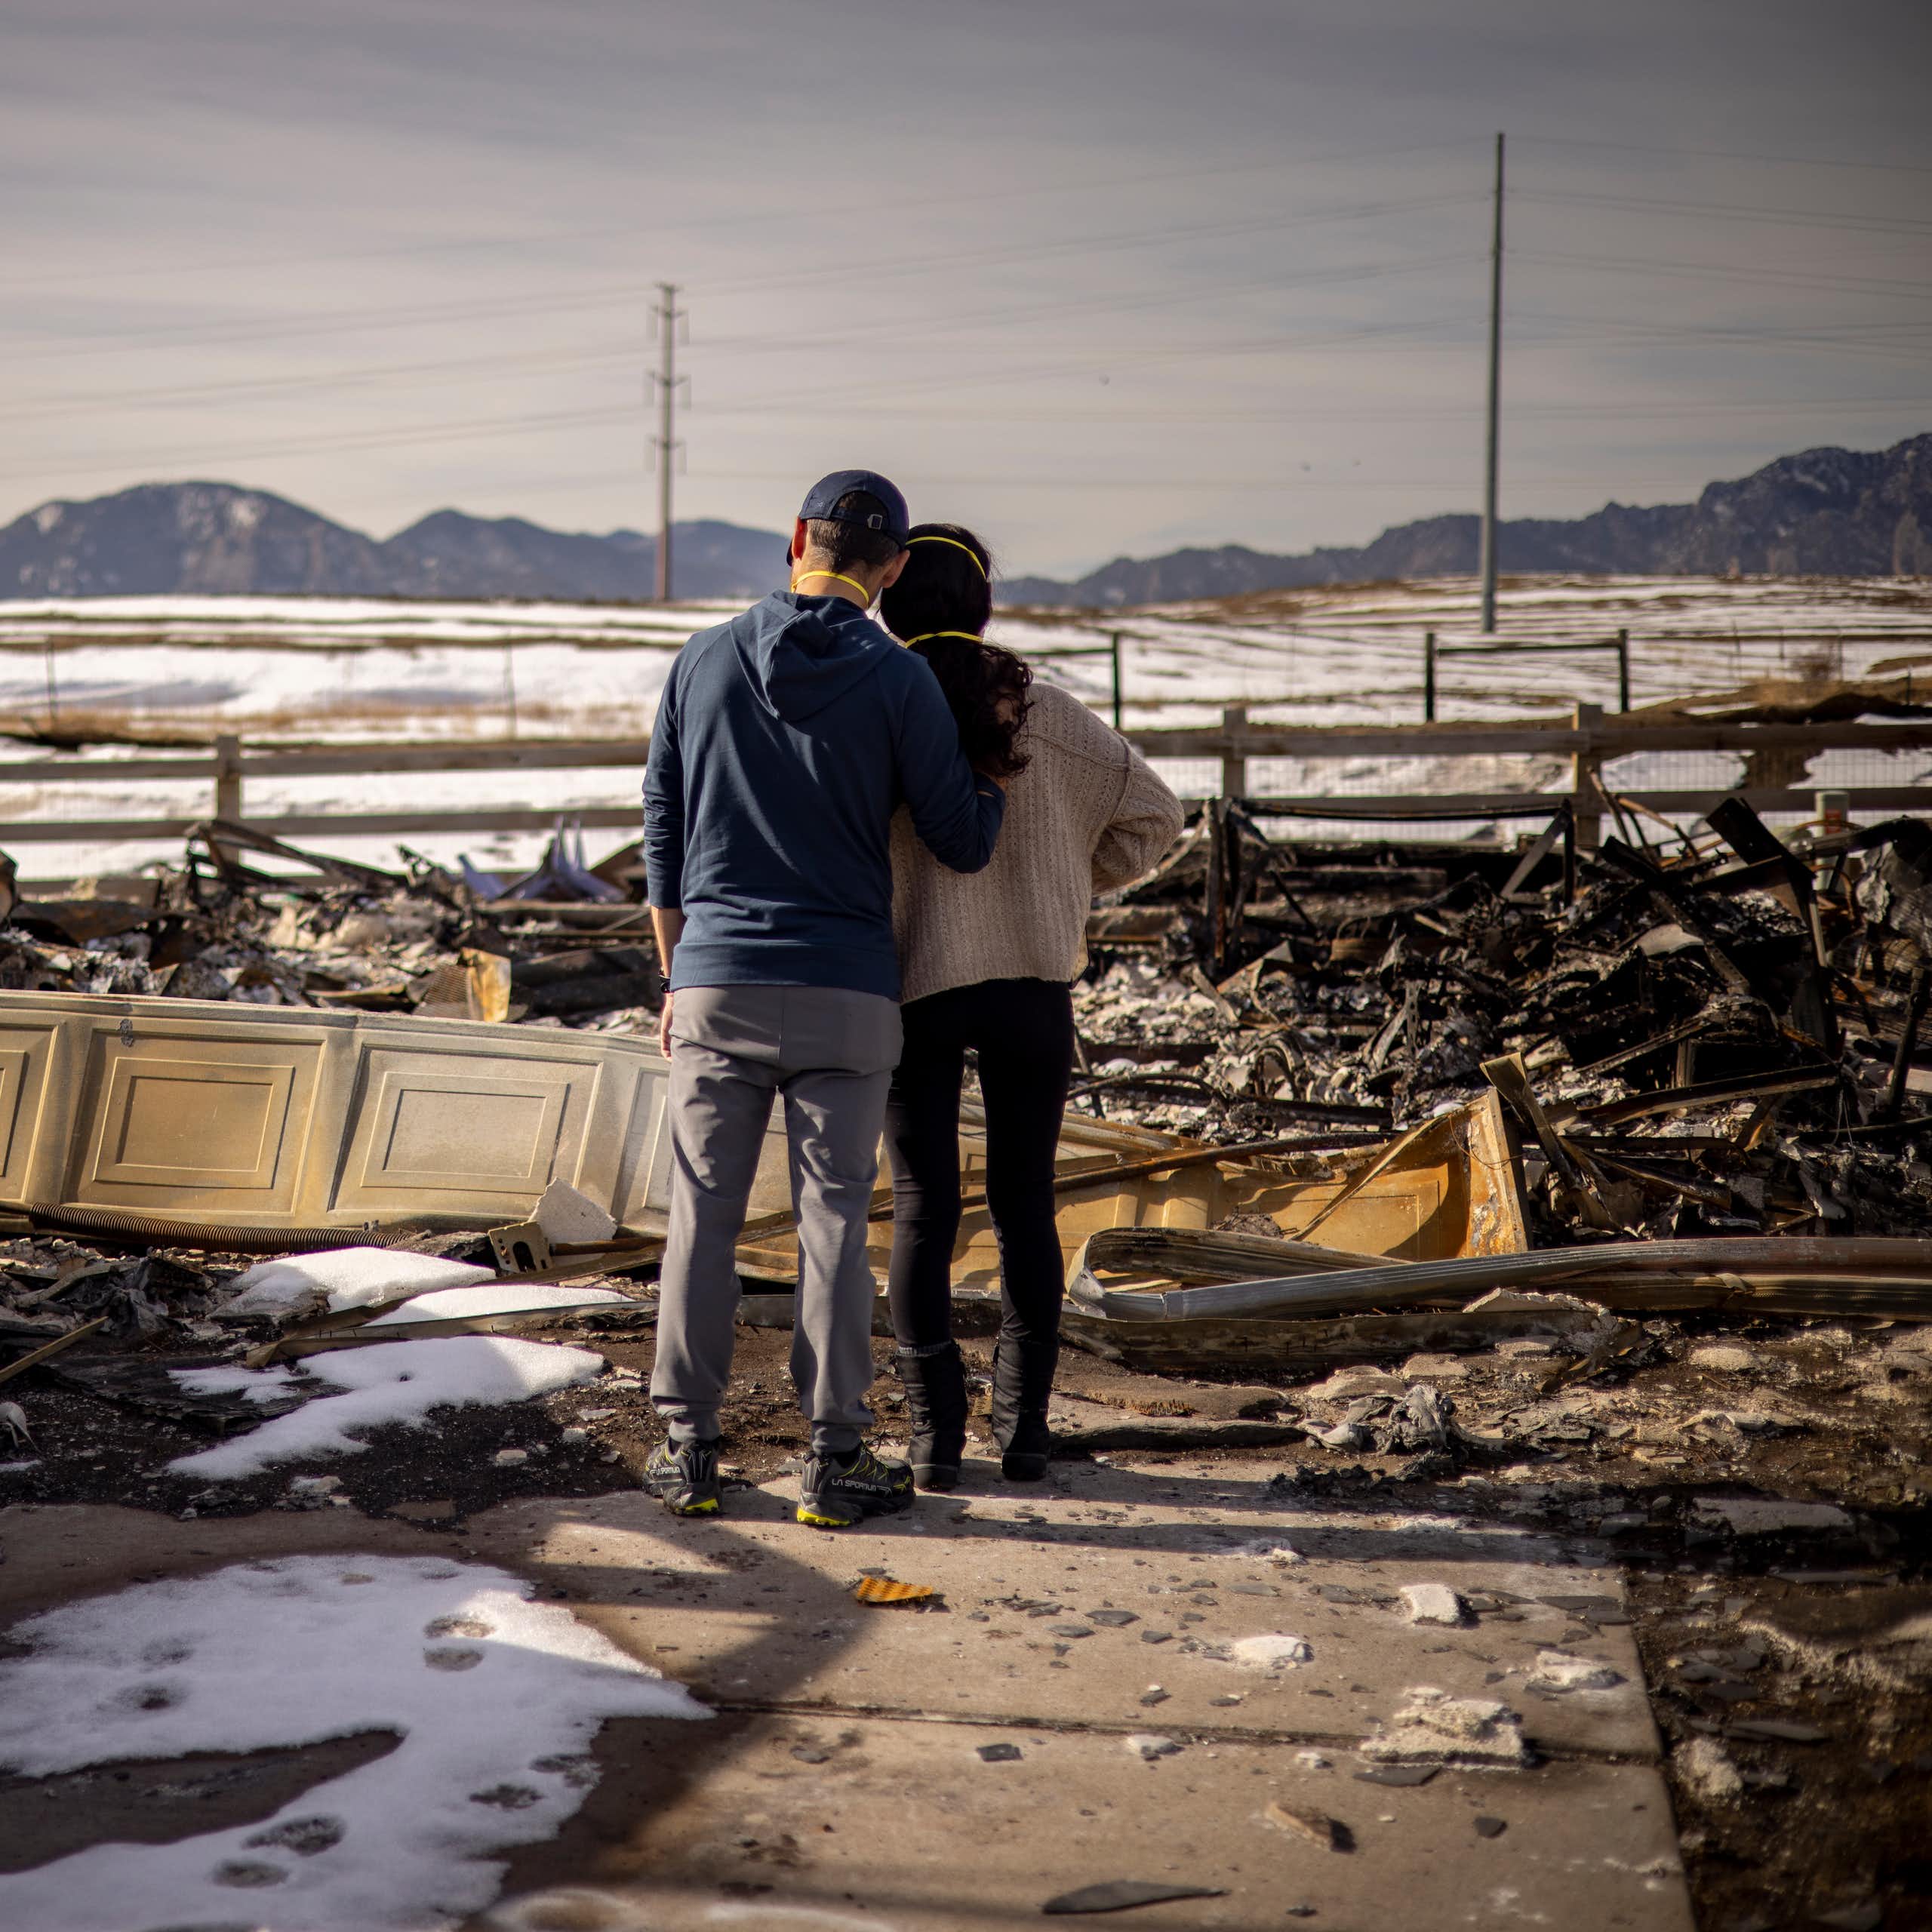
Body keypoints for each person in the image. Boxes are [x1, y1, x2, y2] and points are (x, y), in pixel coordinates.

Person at [641, 474, 1007, 1528]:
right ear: (890, 572)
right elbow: (962, 843)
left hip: (714, 979)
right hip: (849, 989)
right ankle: (834, 1456)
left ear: (797, 539)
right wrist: (989, 760)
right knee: (836, 1225)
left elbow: (662, 842)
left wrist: (675, 977)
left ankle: (689, 1452)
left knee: (702, 1220)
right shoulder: (900, 684)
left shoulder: (701, 661)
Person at [878, 524, 1183, 1485]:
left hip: (912, 986)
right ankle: (1025, 1435)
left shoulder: (878, 705)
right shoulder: (1043, 712)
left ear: (886, 600)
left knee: (924, 1213)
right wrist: (1065, 880)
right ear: (984, 608)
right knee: (1024, 1208)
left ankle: (933, 1442)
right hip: (1032, 993)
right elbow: (1158, 818)